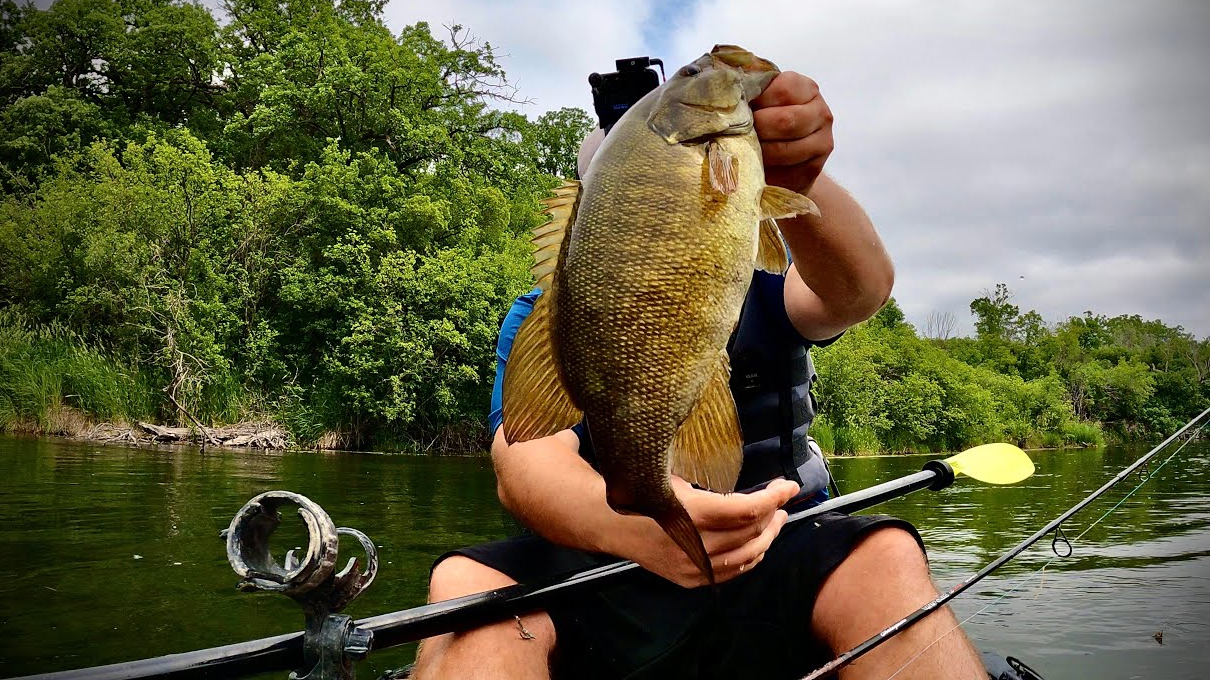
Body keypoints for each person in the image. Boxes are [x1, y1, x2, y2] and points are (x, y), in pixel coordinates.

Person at [410, 68, 988, 679]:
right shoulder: (546, 318)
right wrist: (645, 530)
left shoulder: (765, 287)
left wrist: (799, 174)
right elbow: (524, 464)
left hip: (779, 544)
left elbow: (859, 290)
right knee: (463, 580)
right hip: (601, 558)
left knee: (885, 556)